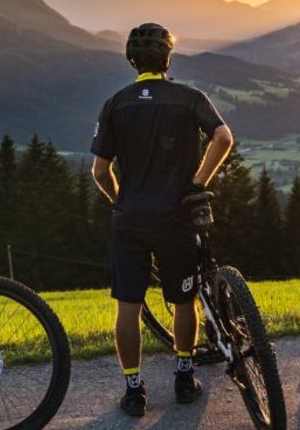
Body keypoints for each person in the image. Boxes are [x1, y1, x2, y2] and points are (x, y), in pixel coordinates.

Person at [90, 23, 234, 417]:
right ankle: (184, 376)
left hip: (130, 220)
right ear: (167, 58)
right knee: (183, 300)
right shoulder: (189, 98)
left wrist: (120, 201)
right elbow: (224, 138)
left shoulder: (116, 103)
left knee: (128, 306)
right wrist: (197, 182)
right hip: (176, 219)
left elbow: (99, 172)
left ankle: (134, 389)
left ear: (132, 61)